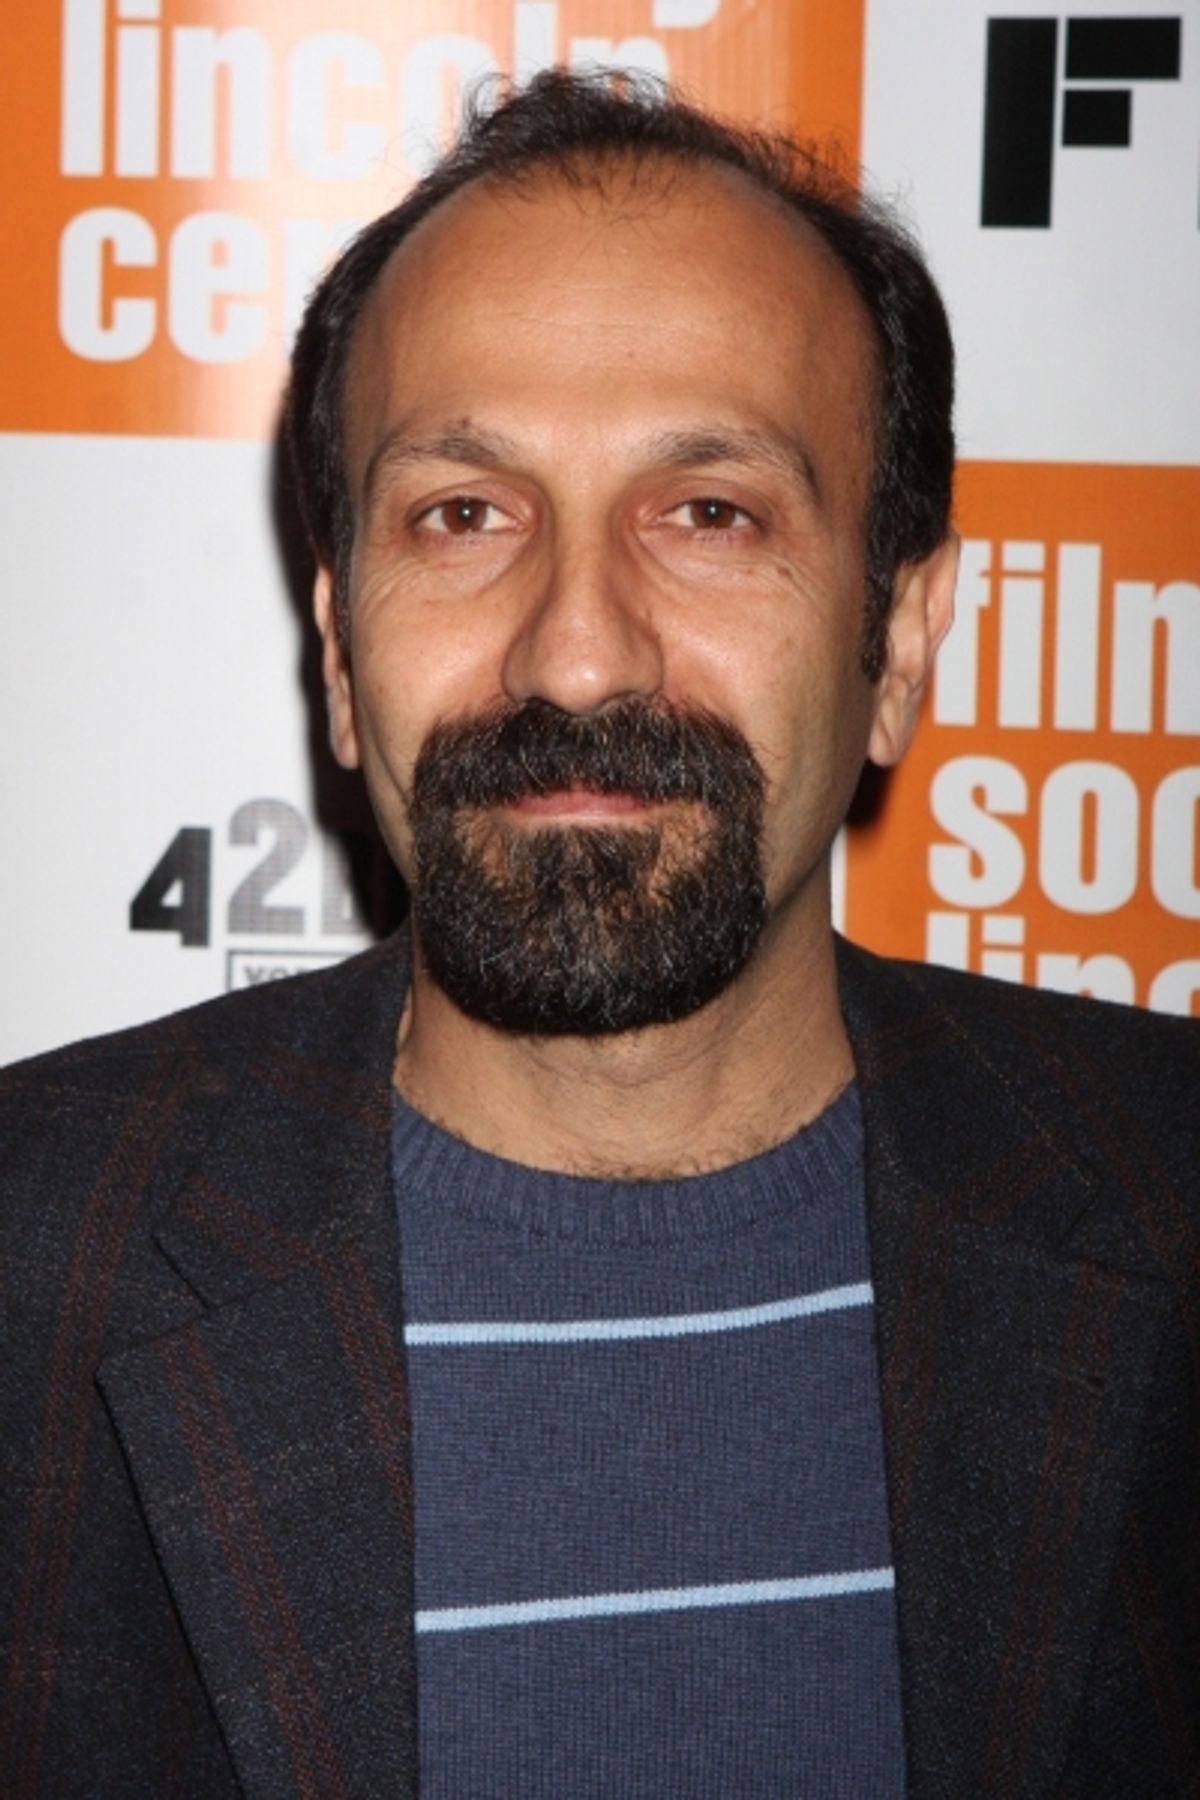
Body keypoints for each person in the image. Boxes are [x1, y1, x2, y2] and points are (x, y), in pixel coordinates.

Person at [1, 69, 1196, 1800]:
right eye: (462, 515)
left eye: (709, 512)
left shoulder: (1164, 1195)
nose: (576, 653)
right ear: (339, 652)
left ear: (905, 641)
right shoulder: (33, 1262)